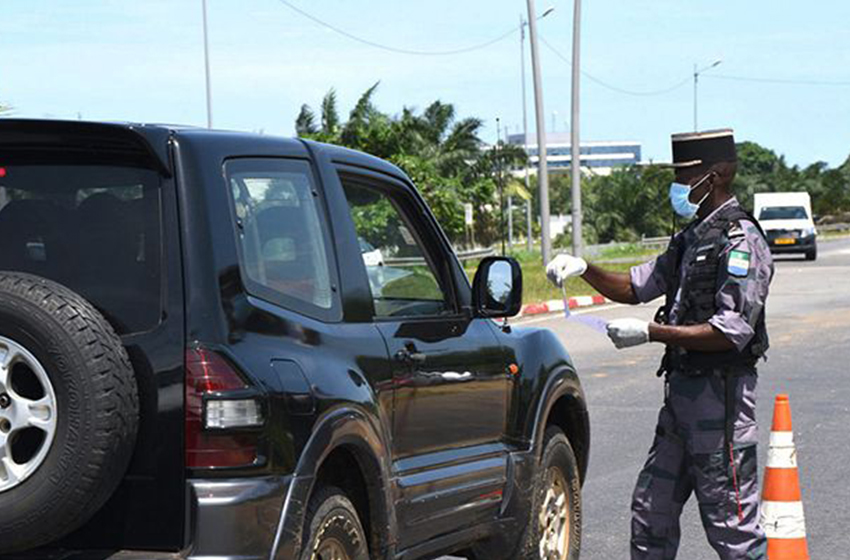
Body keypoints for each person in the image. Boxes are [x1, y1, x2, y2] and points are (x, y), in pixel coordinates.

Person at [547, 129, 772, 560]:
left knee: (733, 530)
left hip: (720, 406)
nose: (679, 186)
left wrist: (652, 333)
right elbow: (635, 286)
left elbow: (731, 330)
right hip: (680, 405)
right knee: (651, 515)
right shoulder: (691, 239)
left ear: (718, 174)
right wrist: (583, 268)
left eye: (687, 175)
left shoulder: (741, 242)